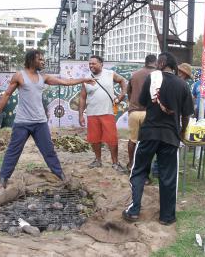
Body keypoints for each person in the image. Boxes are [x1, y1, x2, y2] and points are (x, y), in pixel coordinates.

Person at [0, 49, 95, 189]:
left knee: (48, 150)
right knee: (13, 150)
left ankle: (59, 174)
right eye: (40, 59)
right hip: (22, 122)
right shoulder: (19, 76)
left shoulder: (43, 77)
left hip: (40, 123)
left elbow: (64, 81)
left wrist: (83, 79)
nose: (43, 61)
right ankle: (3, 177)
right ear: (32, 59)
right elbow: (7, 95)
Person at [122, 52, 194, 225]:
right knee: (168, 176)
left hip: (149, 133)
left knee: (138, 170)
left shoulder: (151, 79)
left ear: (161, 63)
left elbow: (144, 102)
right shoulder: (183, 85)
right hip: (170, 136)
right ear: (174, 66)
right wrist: (182, 132)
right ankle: (167, 217)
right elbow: (186, 115)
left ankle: (134, 210)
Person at [79, 55, 127, 173]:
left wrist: (122, 95)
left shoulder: (109, 74)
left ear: (101, 64)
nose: (91, 66)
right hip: (92, 113)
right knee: (94, 139)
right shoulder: (86, 78)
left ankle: (115, 162)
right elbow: (82, 98)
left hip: (107, 112)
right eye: (90, 64)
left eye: (94, 63)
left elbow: (122, 81)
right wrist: (80, 115)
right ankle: (98, 160)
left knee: (112, 139)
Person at [127, 54, 157, 179]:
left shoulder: (135, 75)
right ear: (155, 62)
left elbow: (129, 92)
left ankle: (130, 165)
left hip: (133, 112)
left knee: (132, 140)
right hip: (148, 113)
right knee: (147, 143)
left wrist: (133, 104)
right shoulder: (157, 75)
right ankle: (144, 174)